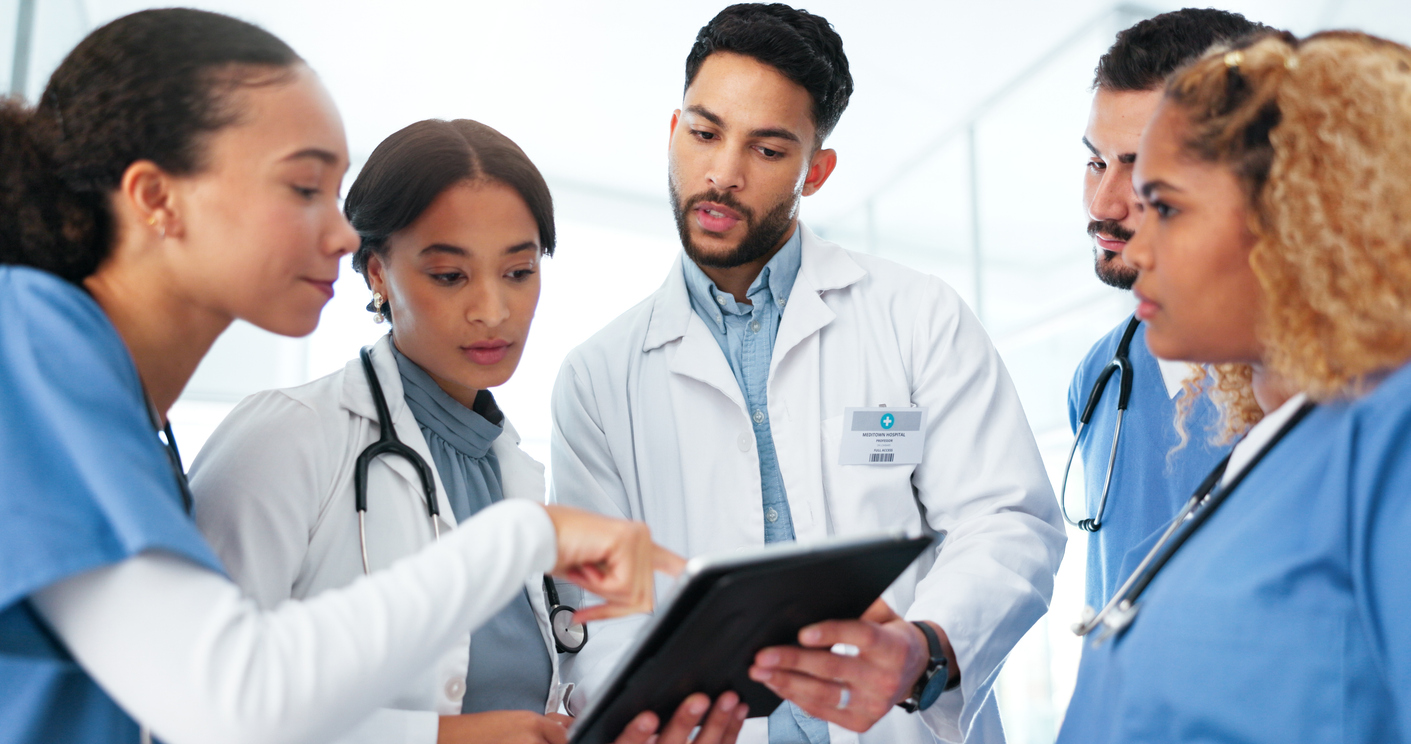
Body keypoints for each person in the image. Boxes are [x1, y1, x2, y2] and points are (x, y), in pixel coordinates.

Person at [0, 10, 718, 744]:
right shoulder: (29, 346)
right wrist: (525, 537)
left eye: (519, 269)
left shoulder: (116, 406)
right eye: (304, 187)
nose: (344, 235)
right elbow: (228, 701)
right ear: (156, 198)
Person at [549, 4, 1064, 743]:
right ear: (672, 132)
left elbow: (1006, 519)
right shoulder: (597, 381)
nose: (721, 174)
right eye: (703, 134)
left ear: (814, 171)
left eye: (766, 150)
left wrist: (922, 648)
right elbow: (599, 617)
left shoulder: (918, 317)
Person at [188, 118, 747, 744]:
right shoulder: (286, 441)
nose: (493, 310)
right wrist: (444, 739)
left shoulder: (512, 470)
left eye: (518, 272)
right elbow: (191, 703)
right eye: (450, 276)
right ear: (377, 272)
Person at [1057, 30, 1411, 742]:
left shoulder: (1386, 432)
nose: (1136, 241)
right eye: (1097, 164)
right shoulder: (1277, 436)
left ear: (1300, 218)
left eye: (1166, 204)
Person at [1066, 8, 1267, 611]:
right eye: (1097, 161)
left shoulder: (1344, 378)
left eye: (1143, 170)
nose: (1104, 203)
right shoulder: (1099, 375)